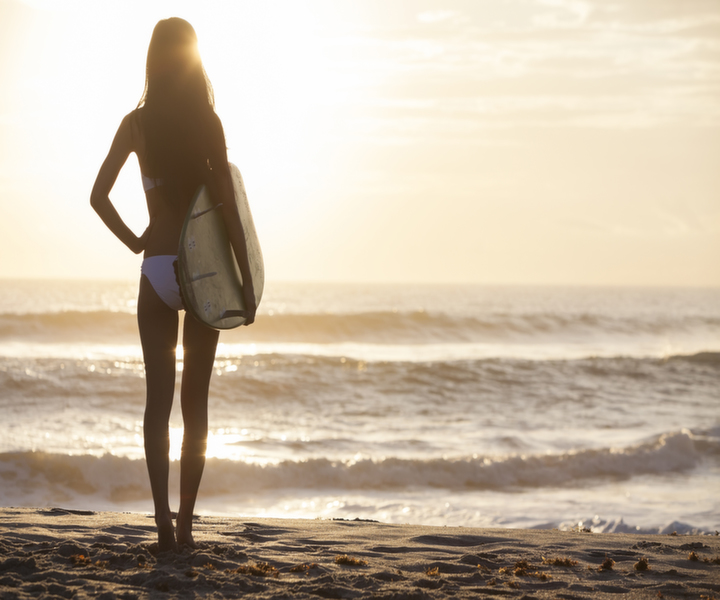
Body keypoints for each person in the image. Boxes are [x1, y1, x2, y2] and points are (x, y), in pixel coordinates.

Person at [91, 18, 256, 552]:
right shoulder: (208, 122)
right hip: (203, 274)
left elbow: (98, 196)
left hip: (158, 269)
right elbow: (228, 207)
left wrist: (136, 241)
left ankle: (160, 522)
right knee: (196, 404)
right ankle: (187, 524)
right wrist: (247, 282)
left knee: (156, 403)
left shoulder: (135, 124)